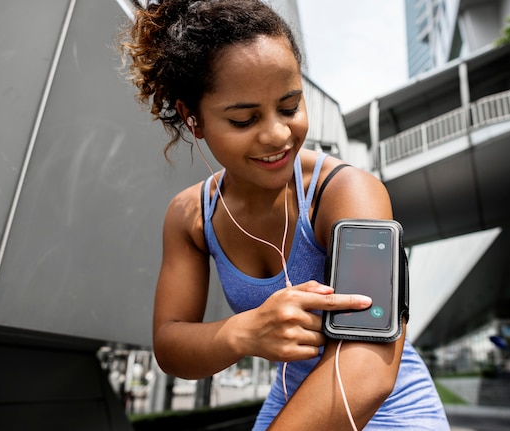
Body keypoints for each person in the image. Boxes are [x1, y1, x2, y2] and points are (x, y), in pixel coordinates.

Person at [118, 1, 450, 429]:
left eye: (290, 107)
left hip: (390, 411)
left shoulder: (347, 192)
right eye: (243, 119)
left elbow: (369, 366)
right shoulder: (190, 216)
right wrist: (246, 331)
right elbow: (170, 343)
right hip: (293, 403)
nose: (277, 134)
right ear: (193, 119)